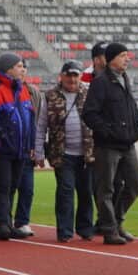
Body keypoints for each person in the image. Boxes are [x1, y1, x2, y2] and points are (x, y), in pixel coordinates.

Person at [81, 42, 138, 245]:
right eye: (123, 55)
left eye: (127, 55)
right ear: (111, 59)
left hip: (127, 144)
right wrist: (108, 131)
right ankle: (110, 230)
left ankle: (116, 222)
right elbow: (89, 114)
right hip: (108, 146)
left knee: (134, 185)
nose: (127, 59)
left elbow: (132, 108)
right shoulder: (100, 82)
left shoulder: (125, 79)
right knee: (106, 189)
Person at [37, 60, 95, 242]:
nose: (72, 79)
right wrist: (38, 151)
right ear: (61, 76)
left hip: (87, 154)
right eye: (68, 75)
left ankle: (85, 228)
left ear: (80, 77)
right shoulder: (50, 96)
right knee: (65, 191)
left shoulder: (90, 93)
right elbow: (41, 126)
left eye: (75, 75)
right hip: (62, 154)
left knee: (86, 192)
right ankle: (64, 231)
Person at [0, 53, 36, 241]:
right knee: (2, 186)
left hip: (20, 148)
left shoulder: (22, 89)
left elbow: (30, 119)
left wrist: (30, 145)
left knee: (13, 186)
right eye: (19, 66)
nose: (23, 69)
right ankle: (1, 224)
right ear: (8, 69)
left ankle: (8, 220)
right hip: (3, 149)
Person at [12, 74, 44, 237]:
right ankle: (4, 221)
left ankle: (22, 221)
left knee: (27, 188)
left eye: (24, 68)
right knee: (8, 187)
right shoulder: (2, 90)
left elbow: (38, 120)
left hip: (27, 148)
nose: (22, 71)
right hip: (10, 148)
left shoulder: (33, 92)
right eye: (19, 67)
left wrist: (36, 146)